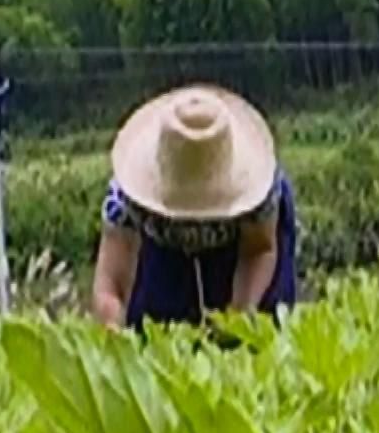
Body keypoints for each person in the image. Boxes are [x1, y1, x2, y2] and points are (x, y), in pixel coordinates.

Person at [91, 85, 299, 331]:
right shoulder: (126, 197)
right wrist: (114, 332)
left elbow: (259, 250)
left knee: (259, 331)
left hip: (237, 251)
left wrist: (237, 318)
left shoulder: (259, 189)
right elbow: (110, 283)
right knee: (154, 331)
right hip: (163, 251)